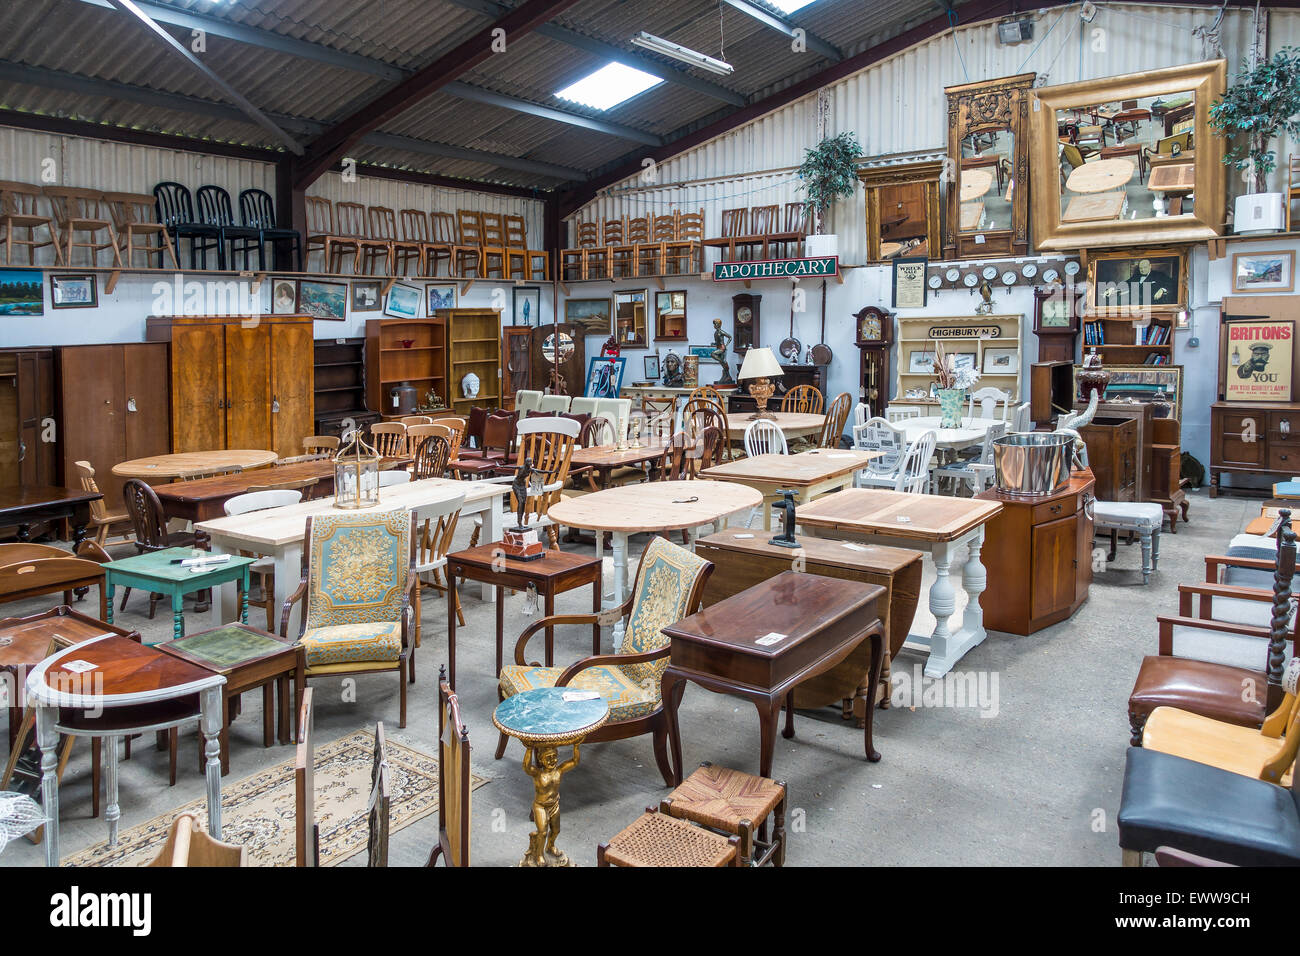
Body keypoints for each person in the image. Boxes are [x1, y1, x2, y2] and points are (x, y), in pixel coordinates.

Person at [709, 318, 734, 384]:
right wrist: (714, 343)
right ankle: (727, 376)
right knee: (722, 363)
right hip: (718, 347)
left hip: (722, 348)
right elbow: (718, 341)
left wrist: (726, 345)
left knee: (712, 354)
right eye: (714, 324)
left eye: (715, 324)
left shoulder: (721, 331)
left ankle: (726, 373)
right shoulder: (716, 332)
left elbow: (730, 337)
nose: (714, 325)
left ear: (719, 325)